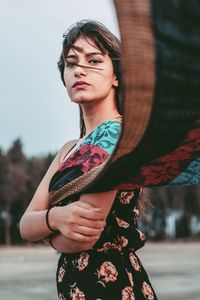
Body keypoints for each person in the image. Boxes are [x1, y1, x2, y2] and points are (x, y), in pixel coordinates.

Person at [20, 20, 157, 300]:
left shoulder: (119, 136)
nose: (79, 69)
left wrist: (45, 226)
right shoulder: (69, 149)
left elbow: (80, 238)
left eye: (94, 60)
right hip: (77, 285)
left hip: (112, 286)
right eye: (71, 63)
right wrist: (58, 217)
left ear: (116, 75)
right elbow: (24, 225)